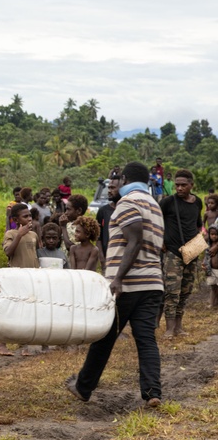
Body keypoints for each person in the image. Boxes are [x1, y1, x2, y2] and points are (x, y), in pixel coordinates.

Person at [67, 162, 164, 408]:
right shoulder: (154, 204)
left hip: (128, 285)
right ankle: (152, 393)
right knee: (146, 339)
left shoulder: (128, 202)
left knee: (104, 337)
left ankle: (83, 387)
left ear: (125, 179)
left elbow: (135, 240)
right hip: (153, 283)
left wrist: (118, 278)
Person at [159, 169, 202, 338]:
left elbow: (197, 224)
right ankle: (169, 328)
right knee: (172, 291)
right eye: (177, 185)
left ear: (191, 185)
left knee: (186, 290)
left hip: (192, 251)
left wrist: (199, 241)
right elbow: (156, 221)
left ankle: (178, 326)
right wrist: (161, 240)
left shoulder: (197, 202)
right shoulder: (168, 202)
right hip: (173, 253)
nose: (179, 188)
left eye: (184, 185)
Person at [0, 203, 39, 356]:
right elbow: (8, 252)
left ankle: (24, 345)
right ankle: (2, 344)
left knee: (27, 310)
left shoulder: (34, 235)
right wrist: (19, 234)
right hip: (16, 278)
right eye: (25, 216)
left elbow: (36, 254)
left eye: (30, 216)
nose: (29, 219)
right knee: (12, 310)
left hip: (32, 277)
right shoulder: (11, 234)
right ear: (15, 219)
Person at [96, 175, 122, 261]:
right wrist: (102, 260)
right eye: (109, 188)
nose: (109, 191)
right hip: (108, 259)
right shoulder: (103, 211)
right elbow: (98, 238)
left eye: (113, 188)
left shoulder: (128, 210)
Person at [205, 225, 218, 308]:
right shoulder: (209, 244)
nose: (214, 236)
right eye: (212, 234)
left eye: (216, 234)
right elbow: (206, 256)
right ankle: (213, 303)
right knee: (213, 287)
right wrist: (204, 263)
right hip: (211, 269)